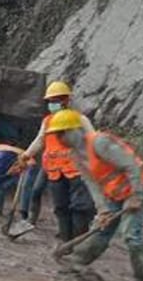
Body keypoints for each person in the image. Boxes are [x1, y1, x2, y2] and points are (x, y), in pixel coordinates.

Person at [46, 109, 143, 281]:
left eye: (61, 133)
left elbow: (131, 166)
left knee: (130, 234)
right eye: (57, 135)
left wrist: (136, 195)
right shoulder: (75, 155)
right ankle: (77, 262)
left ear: (74, 130)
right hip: (114, 194)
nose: (59, 138)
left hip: (139, 185)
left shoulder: (99, 142)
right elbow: (93, 184)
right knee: (101, 228)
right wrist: (103, 210)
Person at [20, 81, 96, 242]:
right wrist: (26, 155)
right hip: (54, 170)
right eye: (51, 101)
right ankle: (65, 239)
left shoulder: (79, 119)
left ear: (66, 100)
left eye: (57, 100)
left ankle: (78, 240)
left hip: (77, 170)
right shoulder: (48, 121)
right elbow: (40, 140)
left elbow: (93, 140)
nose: (53, 104)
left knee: (79, 207)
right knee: (61, 207)